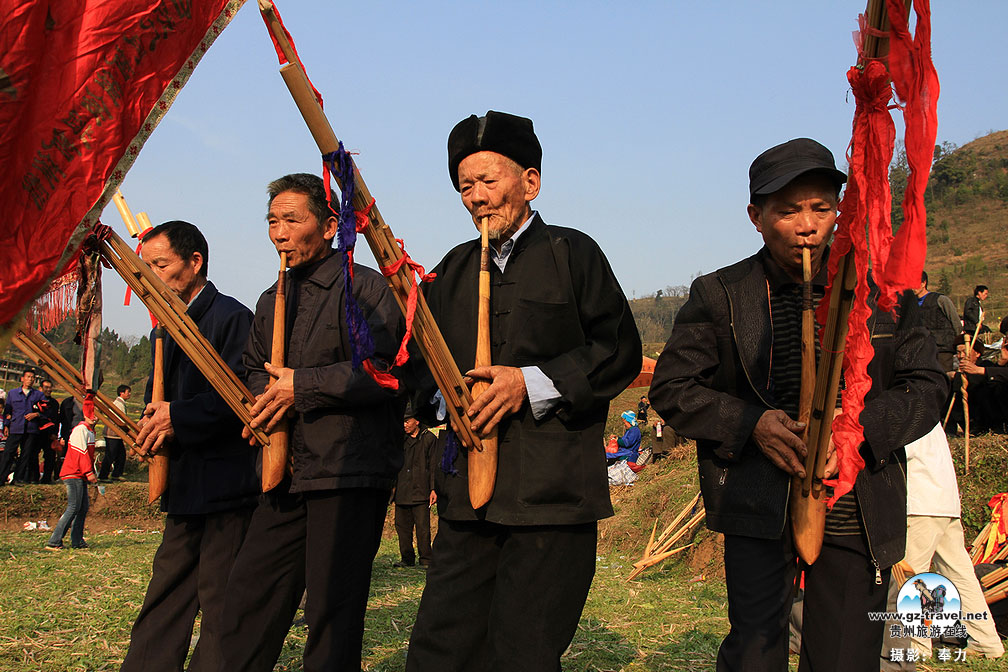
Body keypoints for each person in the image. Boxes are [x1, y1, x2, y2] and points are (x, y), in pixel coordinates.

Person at [648, 137, 948, 672]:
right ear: (755, 217)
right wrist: (752, 422)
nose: (807, 225)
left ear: (839, 211)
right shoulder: (720, 294)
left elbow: (928, 387)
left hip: (854, 498)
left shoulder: (883, 293)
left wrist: (855, 433)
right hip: (758, 499)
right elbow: (672, 389)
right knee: (756, 652)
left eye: (821, 208)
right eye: (787, 211)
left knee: (845, 654)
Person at [406, 110, 641, 672]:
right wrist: (445, 398)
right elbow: (416, 366)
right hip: (467, 500)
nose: (478, 198)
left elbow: (617, 349)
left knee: (523, 653)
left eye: (490, 181)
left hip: (551, 499)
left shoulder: (572, 253)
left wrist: (526, 383)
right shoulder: (446, 274)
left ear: (530, 182)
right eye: (465, 186)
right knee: (439, 648)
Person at [217, 173, 405, 672]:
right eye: (272, 221)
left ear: (328, 227)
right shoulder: (268, 299)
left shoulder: (364, 288)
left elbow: (384, 371)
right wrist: (265, 397)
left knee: (331, 611)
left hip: (348, 471)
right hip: (286, 472)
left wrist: (300, 388)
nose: (279, 232)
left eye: (291, 220)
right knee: (247, 599)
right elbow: (255, 368)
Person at [121, 221, 259, 672]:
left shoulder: (232, 317)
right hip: (184, 481)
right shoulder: (165, 328)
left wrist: (176, 418)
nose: (152, 277)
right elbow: (156, 399)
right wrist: (150, 427)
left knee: (220, 597)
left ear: (195, 262)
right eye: (146, 268)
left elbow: (242, 395)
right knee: (167, 589)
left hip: (227, 482)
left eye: (160, 265)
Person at [901, 424, 1004, 659]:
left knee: (910, 577)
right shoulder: (927, 407)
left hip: (919, 501)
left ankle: (917, 649)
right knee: (960, 574)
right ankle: (986, 641)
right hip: (944, 501)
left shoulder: (902, 407)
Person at [45, 411, 98, 550]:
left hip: (80, 474)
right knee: (74, 507)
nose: (94, 418)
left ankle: (77, 540)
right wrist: (89, 472)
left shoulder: (90, 431)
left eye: (96, 415)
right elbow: (81, 453)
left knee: (83, 508)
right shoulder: (80, 430)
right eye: (91, 415)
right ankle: (55, 540)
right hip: (73, 472)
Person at [393, 406, 437, 568]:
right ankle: (407, 558)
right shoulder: (399, 440)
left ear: (416, 421)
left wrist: (434, 489)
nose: (404, 425)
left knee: (423, 529)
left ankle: (426, 559)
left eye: (407, 421)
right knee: (402, 528)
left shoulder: (429, 439)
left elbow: (434, 466)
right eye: (402, 421)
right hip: (402, 491)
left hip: (421, 491)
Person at [1, 368, 43, 485]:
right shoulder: (13, 393)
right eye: (28, 377)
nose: (30, 379)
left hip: (31, 428)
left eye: (32, 377)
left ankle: (18, 478)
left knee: (25, 454)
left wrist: (36, 414)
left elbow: (45, 411)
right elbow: (7, 412)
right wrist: (6, 425)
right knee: (8, 453)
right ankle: (1, 477)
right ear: (22, 379)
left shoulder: (38, 395)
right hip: (16, 426)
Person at [915, 271, 961, 374]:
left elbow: (956, 322)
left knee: (944, 376)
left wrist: (959, 342)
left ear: (923, 283)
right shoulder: (912, 304)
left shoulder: (941, 300)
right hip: (923, 348)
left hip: (943, 348)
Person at [98, 385, 131, 481]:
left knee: (121, 455)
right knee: (111, 454)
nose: (129, 394)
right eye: (127, 392)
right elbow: (120, 419)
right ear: (121, 393)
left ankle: (116, 474)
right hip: (113, 433)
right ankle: (103, 475)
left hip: (116, 434)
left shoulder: (121, 403)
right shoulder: (118, 404)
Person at [36, 379, 61, 483]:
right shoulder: (36, 401)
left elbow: (56, 419)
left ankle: (47, 478)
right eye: (46, 387)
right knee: (33, 455)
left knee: (50, 457)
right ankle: (33, 477)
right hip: (37, 433)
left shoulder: (54, 403)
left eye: (50, 387)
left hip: (50, 434)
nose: (49, 390)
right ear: (40, 388)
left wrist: (55, 433)